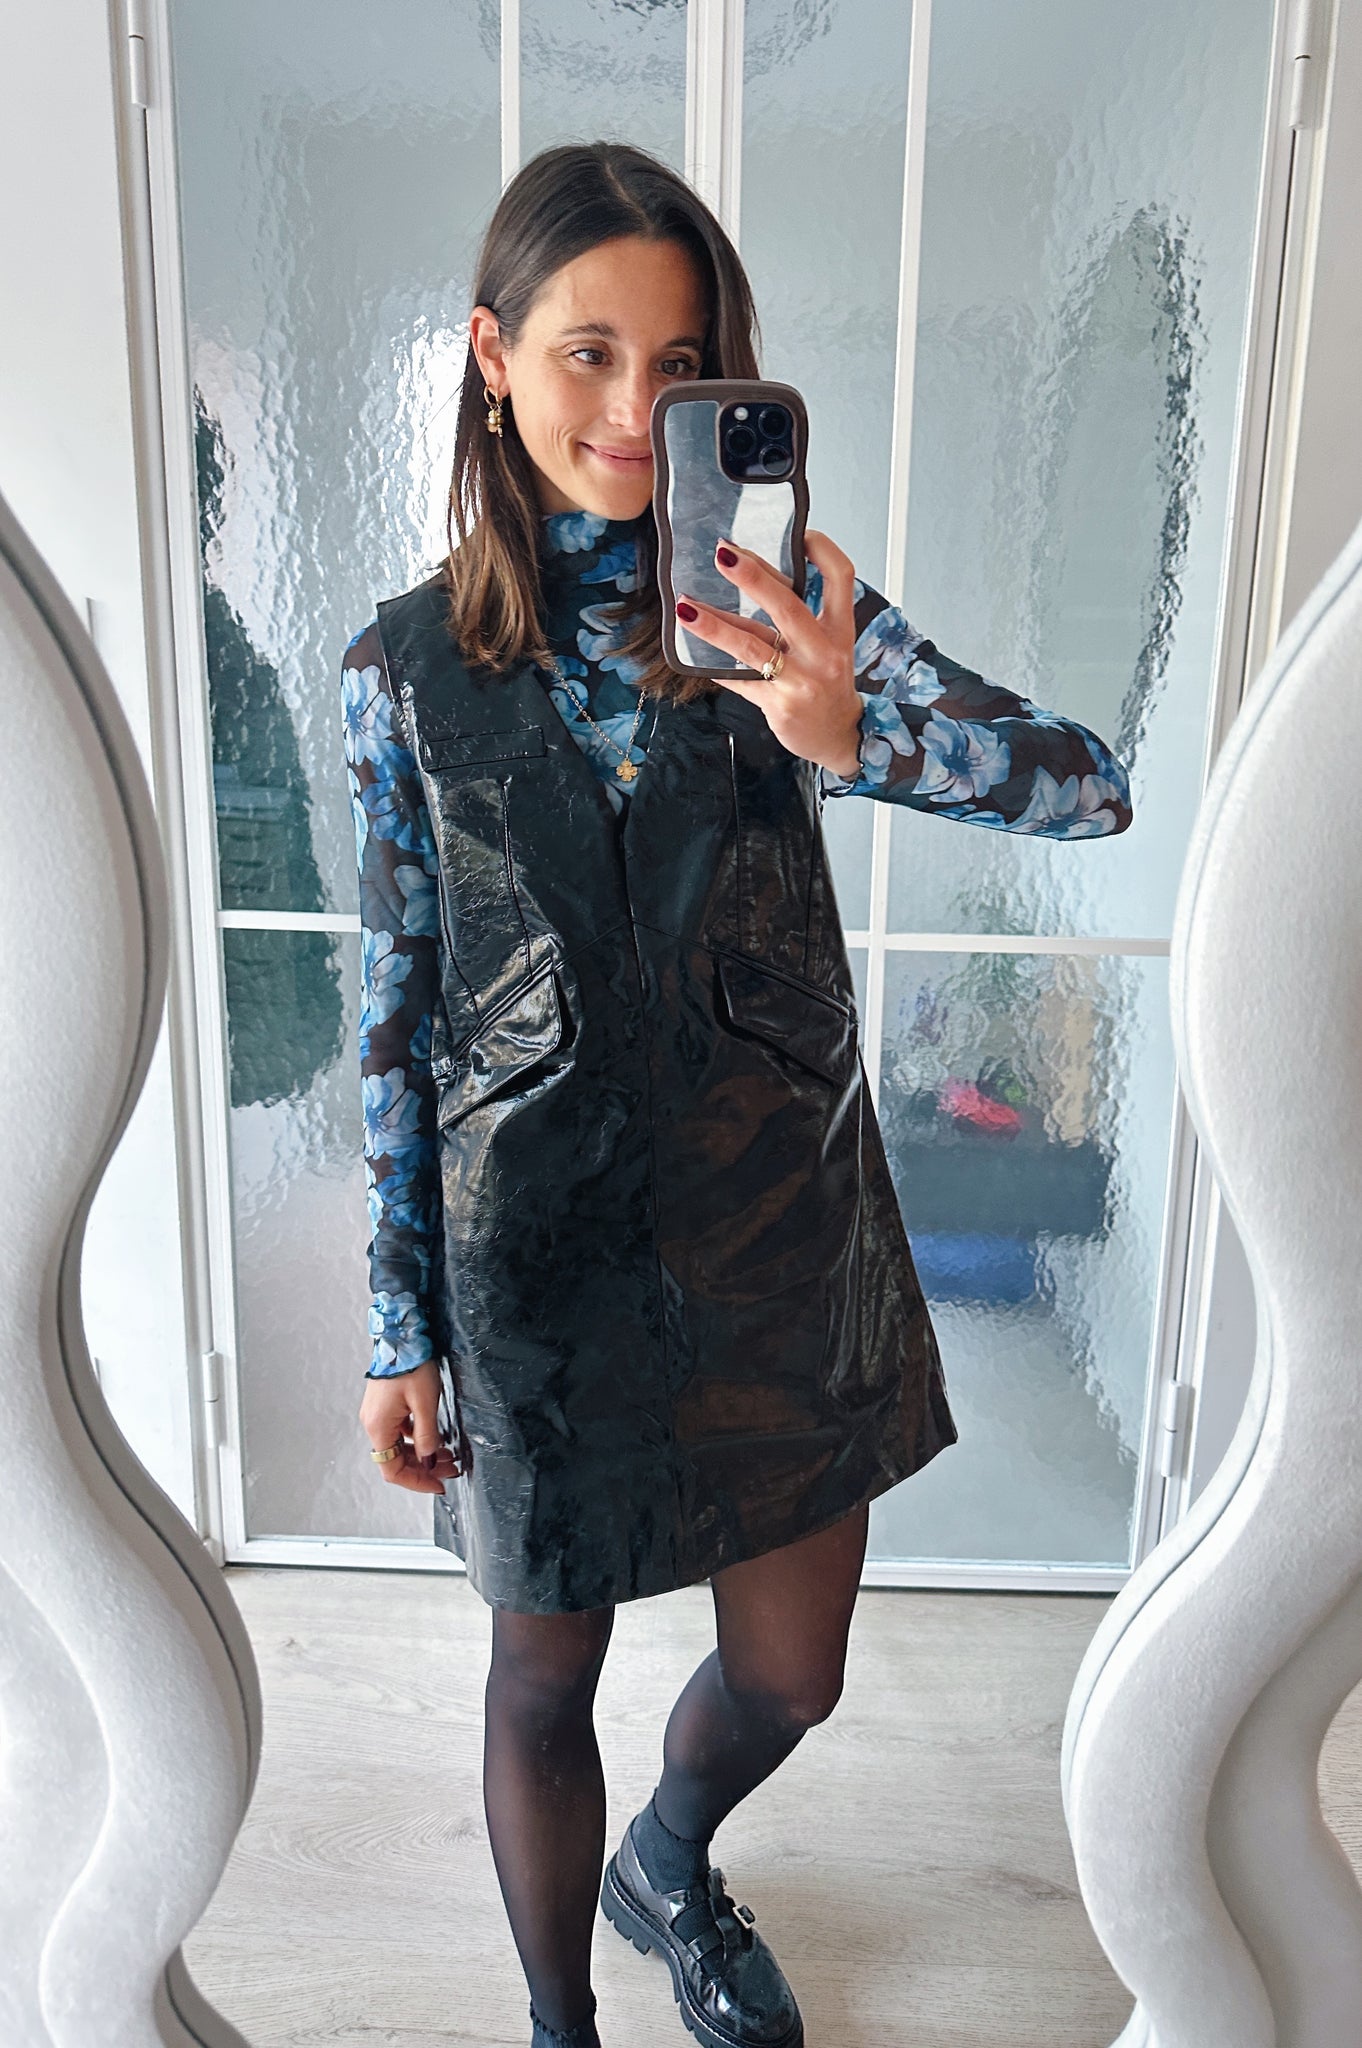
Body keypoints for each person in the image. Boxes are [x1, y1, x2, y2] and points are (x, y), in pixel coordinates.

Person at [341, 140, 1132, 2048]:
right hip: (531, 1256)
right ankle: (560, 2027)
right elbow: (398, 1003)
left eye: (679, 364)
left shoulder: (789, 611)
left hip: (782, 1239)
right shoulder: (403, 669)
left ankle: (669, 1859)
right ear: (492, 357)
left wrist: (854, 731)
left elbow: (1087, 787)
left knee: (791, 1676)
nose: (634, 408)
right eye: (588, 352)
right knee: (540, 1681)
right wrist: (397, 1320)